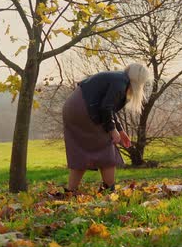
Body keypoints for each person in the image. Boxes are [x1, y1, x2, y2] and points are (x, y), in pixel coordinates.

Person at [62, 63, 149, 193]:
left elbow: (110, 110)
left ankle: (70, 191)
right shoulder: (120, 84)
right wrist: (112, 130)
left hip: (73, 109)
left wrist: (120, 131)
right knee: (107, 147)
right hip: (84, 111)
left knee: (81, 152)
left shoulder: (118, 79)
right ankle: (108, 190)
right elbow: (106, 108)